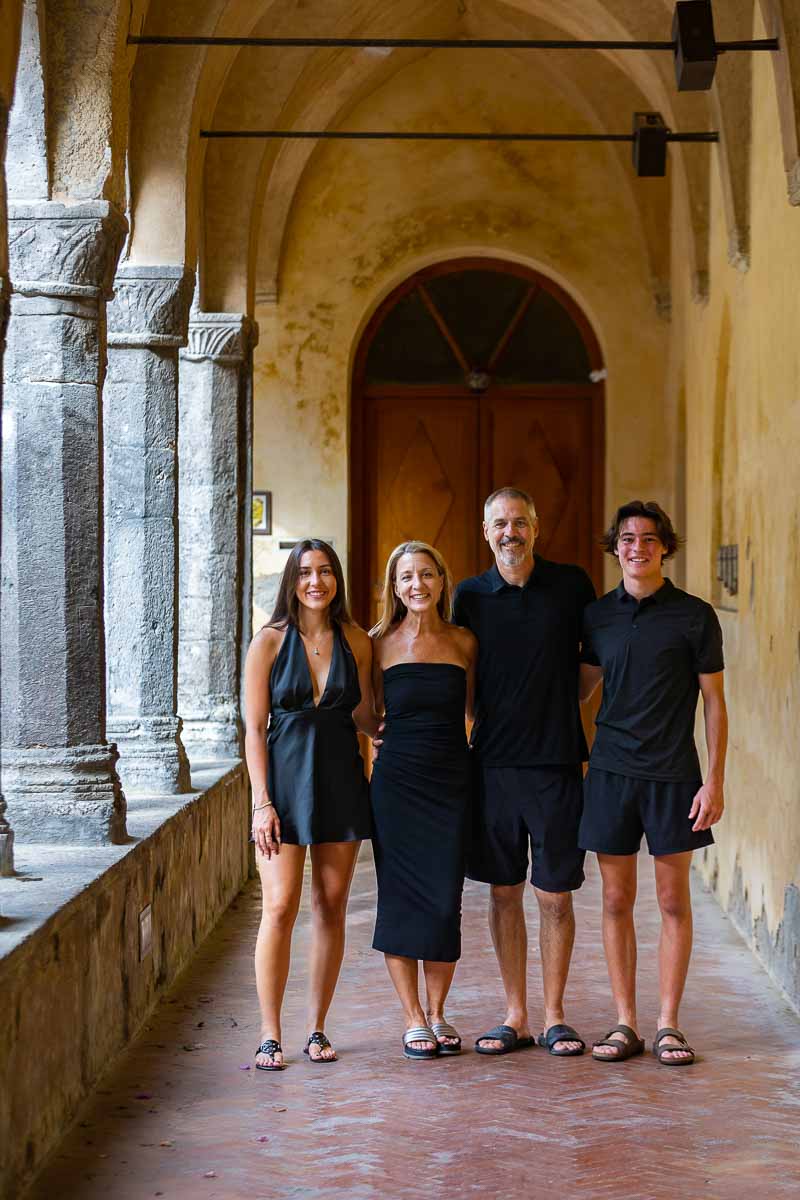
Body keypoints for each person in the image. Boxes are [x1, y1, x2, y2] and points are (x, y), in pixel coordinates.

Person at [579, 501, 727, 1066]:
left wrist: (713, 781)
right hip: (611, 772)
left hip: (673, 775)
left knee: (671, 900)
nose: (636, 547)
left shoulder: (694, 615)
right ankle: (625, 1022)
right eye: (626, 538)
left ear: (665, 545)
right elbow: (579, 689)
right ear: (614, 547)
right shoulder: (598, 617)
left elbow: (714, 704)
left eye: (647, 538)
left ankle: (668, 1023)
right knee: (615, 899)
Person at [453, 487, 595, 1057]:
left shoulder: (572, 586)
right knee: (504, 892)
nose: (509, 532)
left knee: (555, 896)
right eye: (499, 524)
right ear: (485, 532)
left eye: (519, 522)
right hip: (491, 766)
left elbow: (589, 672)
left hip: (558, 761)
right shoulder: (469, 597)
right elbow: (461, 679)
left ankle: (556, 1016)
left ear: (536, 528)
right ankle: (515, 1014)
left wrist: (553, 708)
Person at [244, 539, 377, 1070]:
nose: (315, 581)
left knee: (330, 905)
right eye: (305, 572)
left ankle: (317, 1028)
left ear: (336, 579)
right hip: (284, 784)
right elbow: (254, 730)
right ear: (291, 581)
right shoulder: (269, 643)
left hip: (342, 780)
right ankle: (269, 1033)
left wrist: (415, 733)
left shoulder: (357, 641)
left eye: (325, 571)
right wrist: (261, 803)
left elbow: (366, 718)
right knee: (279, 907)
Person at [370, 541, 476, 1059]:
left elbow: (475, 710)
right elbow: (359, 709)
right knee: (399, 897)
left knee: (443, 898)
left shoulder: (464, 642)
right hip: (397, 785)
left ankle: (438, 1012)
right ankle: (412, 1017)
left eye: (427, 575)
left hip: (451, 781)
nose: (418, 585)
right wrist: (376, 732)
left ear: (441, 581)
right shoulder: (377, 643)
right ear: (395, 586)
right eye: (407, 577)